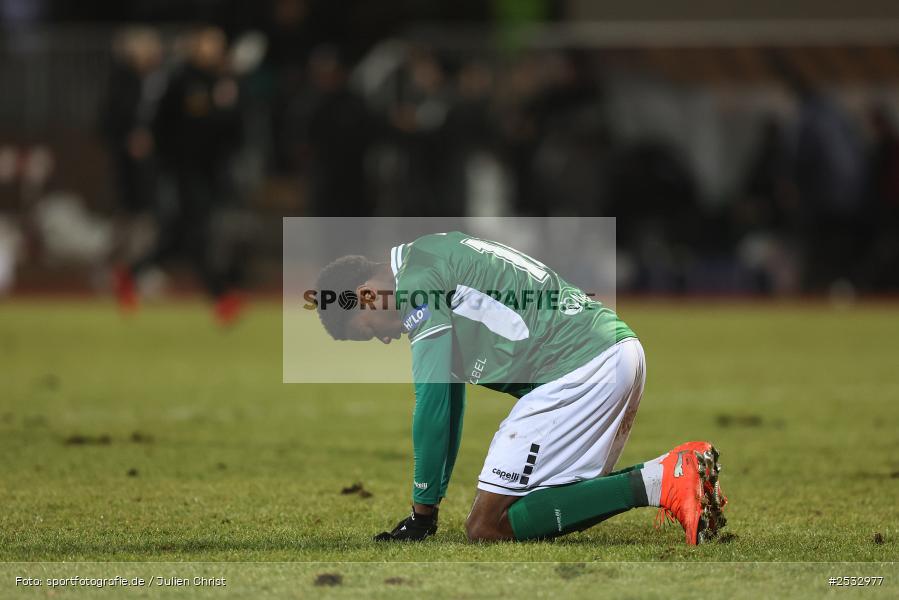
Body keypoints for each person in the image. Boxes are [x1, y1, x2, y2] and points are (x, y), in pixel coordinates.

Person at [313, 231, 727, 543]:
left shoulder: (416, 285)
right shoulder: (430, 254)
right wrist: (428, 508)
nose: (385, 339)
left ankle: (663, 478)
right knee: (542, 502)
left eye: (368, 331)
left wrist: (422, 511)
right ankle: (676, 479)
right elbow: (451, 400)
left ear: (365, 296)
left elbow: (432, 403)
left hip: (579, 367)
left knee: (486, 526)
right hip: (612, 352)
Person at [115, 26, 246, 325]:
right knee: (195, 235)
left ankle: (131, 273)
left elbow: (231, 133)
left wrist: (229, 103)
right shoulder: (179, 81)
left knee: (178, 238)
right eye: (208, 44)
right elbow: (161, 126)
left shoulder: (222, 84)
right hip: (182, 173)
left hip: (209, 173)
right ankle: (221, 296)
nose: (213, 50)